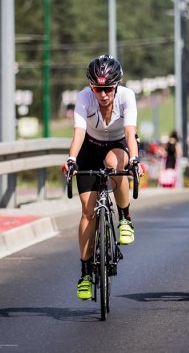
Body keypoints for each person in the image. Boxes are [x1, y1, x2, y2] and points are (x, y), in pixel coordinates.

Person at [62, 54, 143, 300]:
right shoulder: (84, 98)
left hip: (118, 144)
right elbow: (78, 134)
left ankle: (125, 217)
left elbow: (130, 133)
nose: (103, 94)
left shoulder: (127, 96)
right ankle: (86, 273)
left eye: (108, 88)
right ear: (91, 86)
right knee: (88, 211)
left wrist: (135, 159)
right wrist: (72, 159)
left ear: (116, 85)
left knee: (114, 162)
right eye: (98, 88)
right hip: (89, 146)